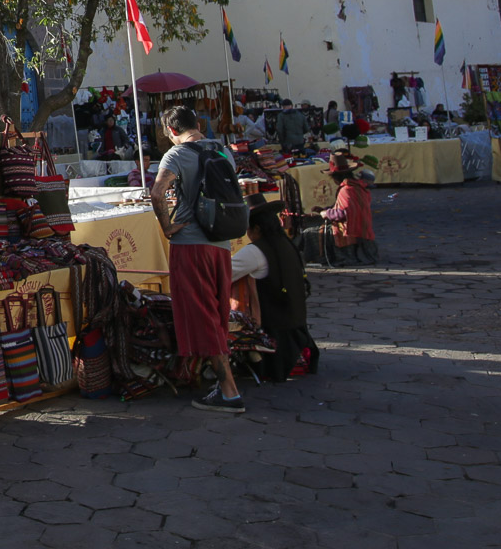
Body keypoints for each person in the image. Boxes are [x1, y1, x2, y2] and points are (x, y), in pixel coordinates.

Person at [149, 105, 244, 415]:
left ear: (172, 131)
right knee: (217, 312)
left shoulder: (176, 155)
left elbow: (157, 191)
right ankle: (222, 383)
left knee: (201, 315)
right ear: (198, 124)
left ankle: (229, 390)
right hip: (222, 244)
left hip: (191, 245)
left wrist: (166, 227)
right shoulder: (223, 151)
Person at [243, 202, 318, 382]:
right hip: (294, 317)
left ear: (257, 228)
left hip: (275, 320)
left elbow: (224, 274)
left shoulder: (256, 251)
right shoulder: (286, 243)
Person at [321, 153, 377, 265]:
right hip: (364, 228)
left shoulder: (346, 190)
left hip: (352, 231)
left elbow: (342, 213)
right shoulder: (359, 186)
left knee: (311, 233)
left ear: (336, 178)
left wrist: (325, 213)